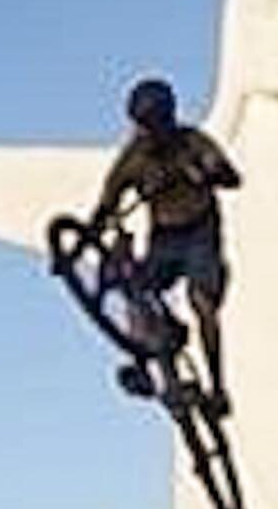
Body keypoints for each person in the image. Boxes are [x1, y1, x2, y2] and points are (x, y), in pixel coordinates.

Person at [91, 77, 242, 417]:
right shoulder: (135, 156)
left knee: (203, 304)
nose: (151, 133)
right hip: (165, 237)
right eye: (145, 126)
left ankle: (217, 388)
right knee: (136, 286)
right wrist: (89, 233)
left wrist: (206, 172)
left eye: (157, 124)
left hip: (200, 233)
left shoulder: (193, 142)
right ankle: (144, 359)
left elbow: (232, 177)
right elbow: (108, 201)